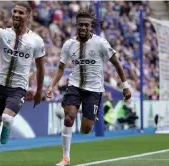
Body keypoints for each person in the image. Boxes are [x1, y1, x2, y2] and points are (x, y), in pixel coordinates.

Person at [45, 7, 131, 166]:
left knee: (85, 129)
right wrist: (51, 86)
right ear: (76, 25)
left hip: (94, 90)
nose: (83, 27)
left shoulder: (100, 44)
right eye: (80, 24)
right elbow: (61, 68)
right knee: (68, 117)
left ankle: (85, 111)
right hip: (75, 85)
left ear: (91, 26)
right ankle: (65, 158)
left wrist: (125, 86)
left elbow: (117, 64)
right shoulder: (69, 45)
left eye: (86, 25)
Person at [0, 2, 45, 166]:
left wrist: (39, 91)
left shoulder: (36, 41)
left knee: (6, 118)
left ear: (28, 16)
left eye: (20, 13)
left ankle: (8, 126)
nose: (16, 15)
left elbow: (40, 68)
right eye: (14, 12)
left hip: (18, 87)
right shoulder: (2, 33)